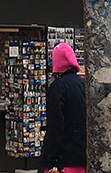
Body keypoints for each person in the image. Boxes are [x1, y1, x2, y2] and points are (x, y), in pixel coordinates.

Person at [40, 42, 87, 173]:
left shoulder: (58, 87)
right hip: (83, 157)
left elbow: (56, 126)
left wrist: (53, 160)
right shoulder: (84, 85)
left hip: (65, 161)